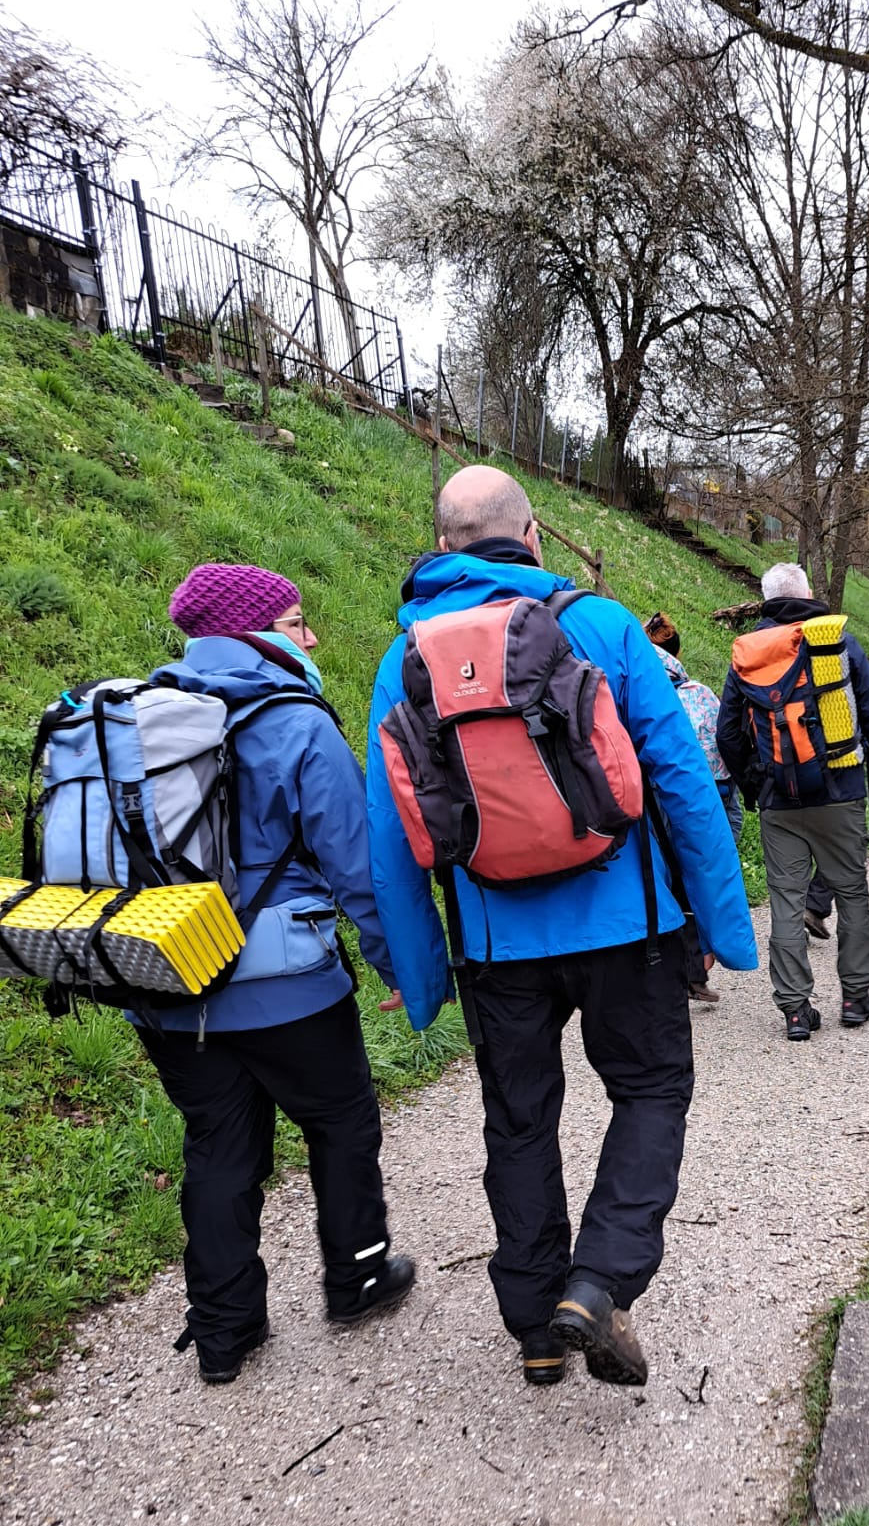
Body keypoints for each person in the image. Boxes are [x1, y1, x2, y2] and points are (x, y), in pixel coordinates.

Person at [367, 466, 756, 1391]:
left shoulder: (404, 659)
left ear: (444, 545)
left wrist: (420, 973)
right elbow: (683, 782)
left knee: (519, 1121)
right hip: (629, 927)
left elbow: (390, 832)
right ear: (533, 533)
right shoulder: (605, 627)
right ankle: (599, 1282)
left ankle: (536, 1325)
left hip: (495, 946)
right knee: (651, 1089)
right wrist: (722, 925)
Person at [137, 562, 413, 1386]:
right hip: (287, 984)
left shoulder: (139, 715)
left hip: (168, 978)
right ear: (252, 632)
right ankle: (357, 1276)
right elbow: (357, 866)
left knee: (219, 1146)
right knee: (341, 1123)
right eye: (296, 622)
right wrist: (395, 962)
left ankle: (224, 1331)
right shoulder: (295, 720)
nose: (312, 637)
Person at [718, 562, 869, 1040]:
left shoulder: (749, 653)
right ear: (806, 593)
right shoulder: (837, 642)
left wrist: (756, 785)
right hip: (841, 792)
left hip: (778, 800)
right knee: (850, 893)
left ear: (766, 599)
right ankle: (854, 998)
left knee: (786, 900)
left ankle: (795, 1009)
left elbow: (727, 734)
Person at [651, 637, 739, 1004]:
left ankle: (680, 970)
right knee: (700, 880)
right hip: (713, 796)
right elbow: (727, 738)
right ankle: (699, 966)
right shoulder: (699, 692)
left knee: (668, 881)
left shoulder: (646, 695)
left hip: (660, 800)